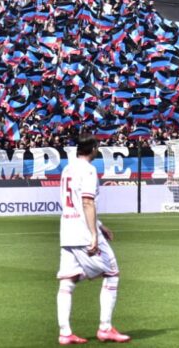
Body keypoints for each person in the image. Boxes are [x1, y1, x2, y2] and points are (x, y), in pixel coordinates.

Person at [56, 133, 130, 344]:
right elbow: (87, 202)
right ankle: (105, 328)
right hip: (83, 232)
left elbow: (73, 202)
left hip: (67, 231)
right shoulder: (88, 170)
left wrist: (100, 225)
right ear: (93, 149)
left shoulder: (67, 169)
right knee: (112, 273)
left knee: (68, 280)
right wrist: (94, 234)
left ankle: (65, 333)